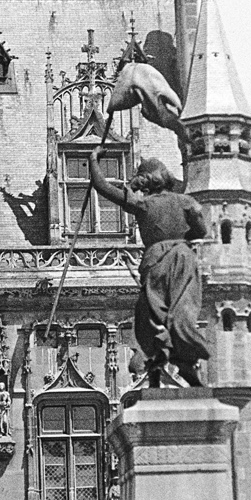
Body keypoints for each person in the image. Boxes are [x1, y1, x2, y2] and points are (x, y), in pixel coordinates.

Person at [87, 152, 210, 388]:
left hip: (156, 260)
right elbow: (201, 231)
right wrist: (183, 236)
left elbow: (102, 187)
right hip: (184, 259)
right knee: (181, 312)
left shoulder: (144, 205)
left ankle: (155, 362)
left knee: (152, 315)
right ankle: (184, 362)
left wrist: (93, 160)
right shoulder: (186, 202)